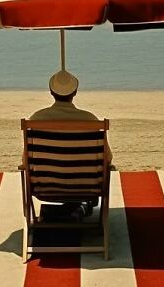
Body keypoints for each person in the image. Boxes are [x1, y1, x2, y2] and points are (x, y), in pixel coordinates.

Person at [29, 70, 112, 219]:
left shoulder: (36, 119)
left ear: (51, 92)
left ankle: (74, 209)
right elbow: (108, 159)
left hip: (45, 188)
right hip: (88, 188)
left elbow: (26, 161)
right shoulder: (91, 120)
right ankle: (80, 208)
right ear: (74, 92)